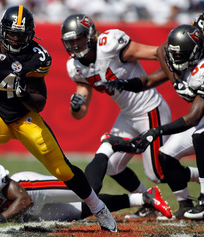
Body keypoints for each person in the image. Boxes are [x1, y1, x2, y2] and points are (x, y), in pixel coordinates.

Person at [0, 5, 117, 232]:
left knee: (63, 170)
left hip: (24, 119)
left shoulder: (35, 57)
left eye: (22, 35)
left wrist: (23, 93)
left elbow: (40, 102)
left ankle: (99, 208)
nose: (17, 40)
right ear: (2, 30)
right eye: (13, 34)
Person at [60, 14, 172, 218]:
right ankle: (148, 200)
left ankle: (196, 186)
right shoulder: (75, 67)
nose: (75, 45)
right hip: (128, 115)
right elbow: (80, 112)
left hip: (149, 107)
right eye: (71, 41)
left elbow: (158, 53)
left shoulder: (109, 45)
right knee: (111, 166)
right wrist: (76, 106)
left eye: (79, 38)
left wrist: (171, 76)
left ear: (91, 34)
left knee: (156, 173)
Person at [104, 23, 202, 219]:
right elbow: (149, 81)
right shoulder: (183, 63)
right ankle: (184, 205)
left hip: (199, 121)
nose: (175, 59)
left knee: (200, 137)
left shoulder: (201, 70)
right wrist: (125, 83)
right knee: (165, 156)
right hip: (201, 121)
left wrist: (157, 131)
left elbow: (193, 118)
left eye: (180, 54)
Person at [0, 158, 172, 222]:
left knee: (90, 188)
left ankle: (106, 150)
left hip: (30, 192)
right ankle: (145, 197)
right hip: (27, 214)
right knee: (83, 211)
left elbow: (23, 199)